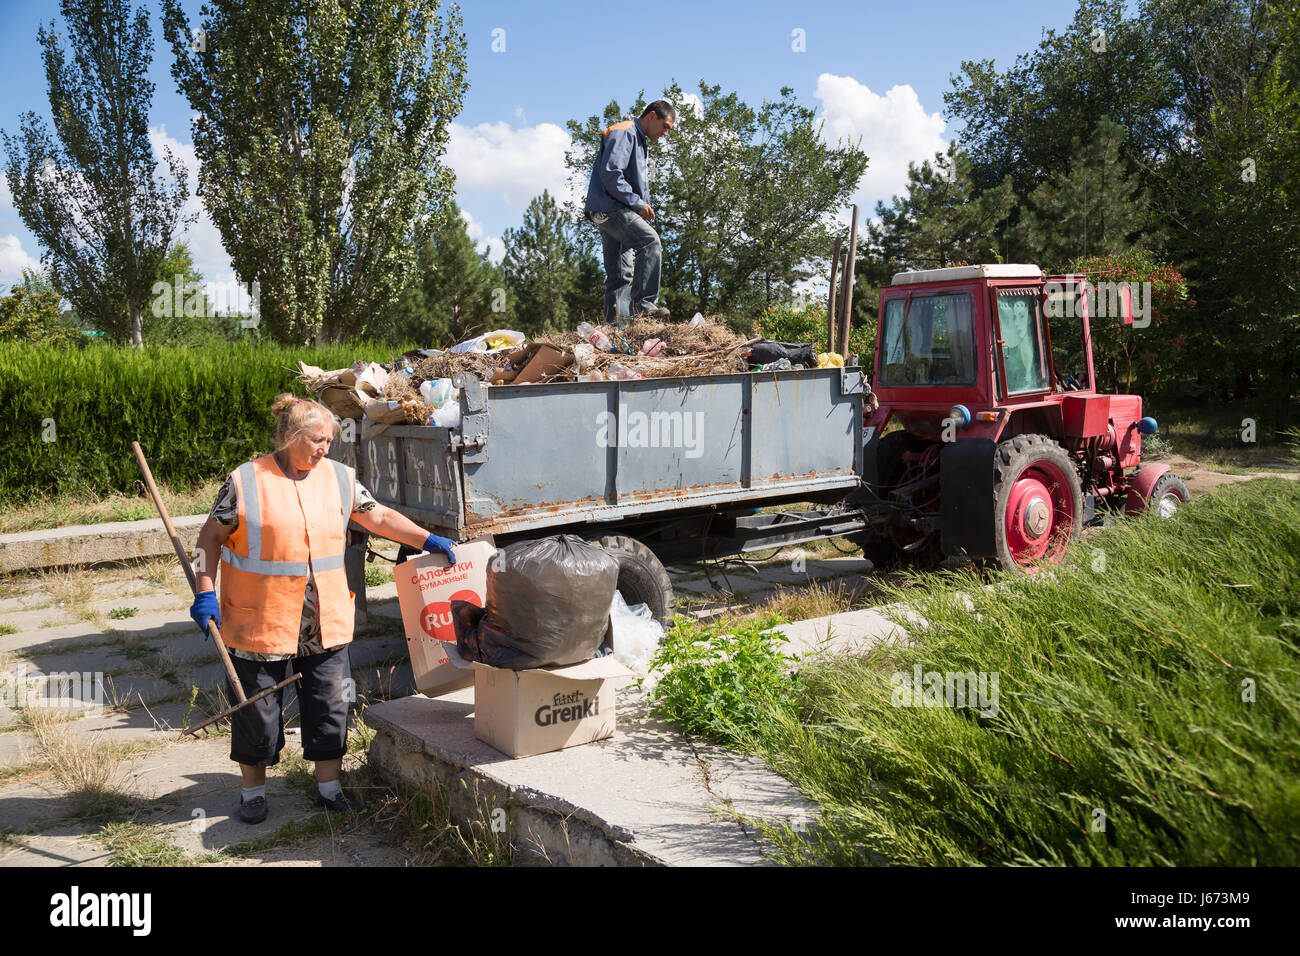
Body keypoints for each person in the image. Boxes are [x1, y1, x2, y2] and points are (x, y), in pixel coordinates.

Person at [188, 395, 458, 825]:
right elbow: (208, 541)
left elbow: (380, 518)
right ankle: (252, 794)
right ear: (290, 436)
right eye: (317, 440)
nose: (324, 449)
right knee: (256, 708)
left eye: (329, 440)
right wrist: (205, 590)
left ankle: (330, 790)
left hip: (324, 620)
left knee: (330, 704)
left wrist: (427, 540)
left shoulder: (339, 477)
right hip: (260, 620)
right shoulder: (245, 481)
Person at [584, 99, 676, 324]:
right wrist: (637, 203)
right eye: (665, 127)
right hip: (612, 207)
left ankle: (616, 327)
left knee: (620, 275)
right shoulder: (625, 132)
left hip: (610, 209)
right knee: (650, 242)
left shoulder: (638, 140)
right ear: (652, 116)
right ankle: (643, 304)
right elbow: (611, 174)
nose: (665, 133)